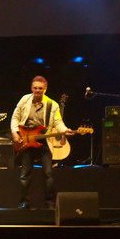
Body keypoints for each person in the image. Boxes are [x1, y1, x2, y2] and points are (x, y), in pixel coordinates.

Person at [10, 76, 73, 209]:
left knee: (48, 173)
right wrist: (15, 133)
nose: (37, 91)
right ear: (31, 88)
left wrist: (65, 130)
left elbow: (58, 122)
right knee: (25, 174)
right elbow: (15, 118)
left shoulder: (52, 104)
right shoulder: (24, 100)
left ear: (45, 89)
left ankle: (50, 202)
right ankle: (24, 202)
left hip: (43, 140)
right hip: (26, 138)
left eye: (40, 88)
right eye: (35, 88)